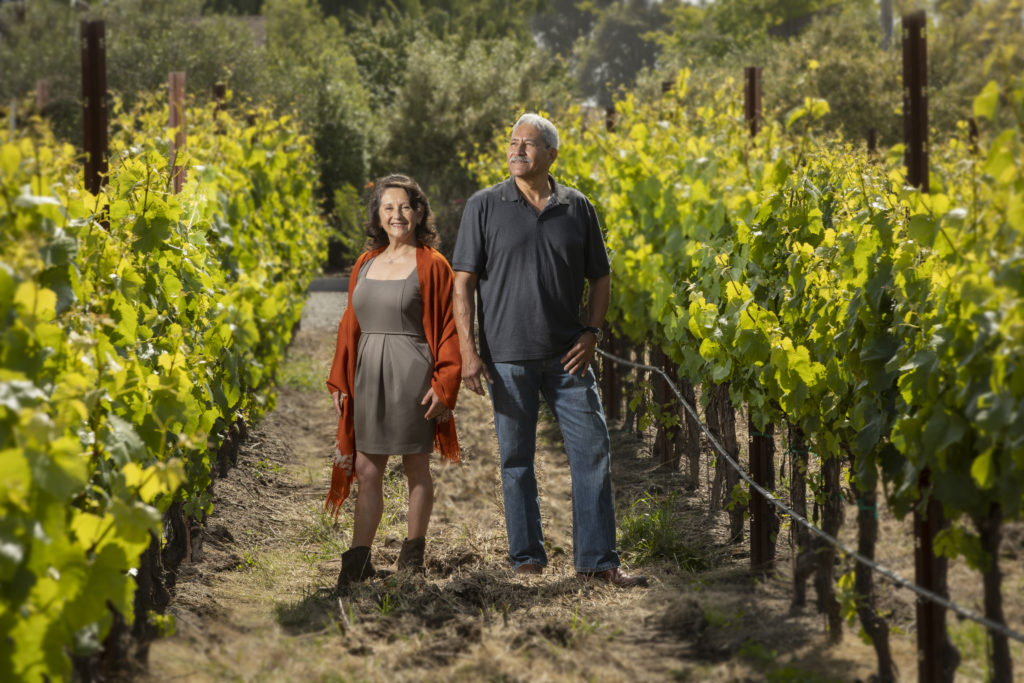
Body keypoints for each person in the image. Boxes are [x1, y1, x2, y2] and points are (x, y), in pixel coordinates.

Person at [451, 113, 646, 588]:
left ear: (552, 154)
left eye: (529, 144)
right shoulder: (484, 205)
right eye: (513, 142)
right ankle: (526, 558)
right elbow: (463, 283)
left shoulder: (577, 207)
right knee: (516, 460)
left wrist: (592, 332)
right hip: (507, 356)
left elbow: (601, 276)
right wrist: (469, 352)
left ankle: (598, 561)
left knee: (592, 452)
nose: (517, 150)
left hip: (568, 356)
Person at [325, 174, 461, 590]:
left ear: (419, 213)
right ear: (379, 216)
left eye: (405, 207)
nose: (397, 215)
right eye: (388, 208)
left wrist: (444, 385)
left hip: (411, 375)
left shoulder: (433, 263)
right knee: (367, 468)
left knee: (415, 464)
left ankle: (412, 558)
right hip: (367, 374)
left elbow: (449, 327)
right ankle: (358, 562)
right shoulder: (365, 264)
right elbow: (351, 323)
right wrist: (342, 381)